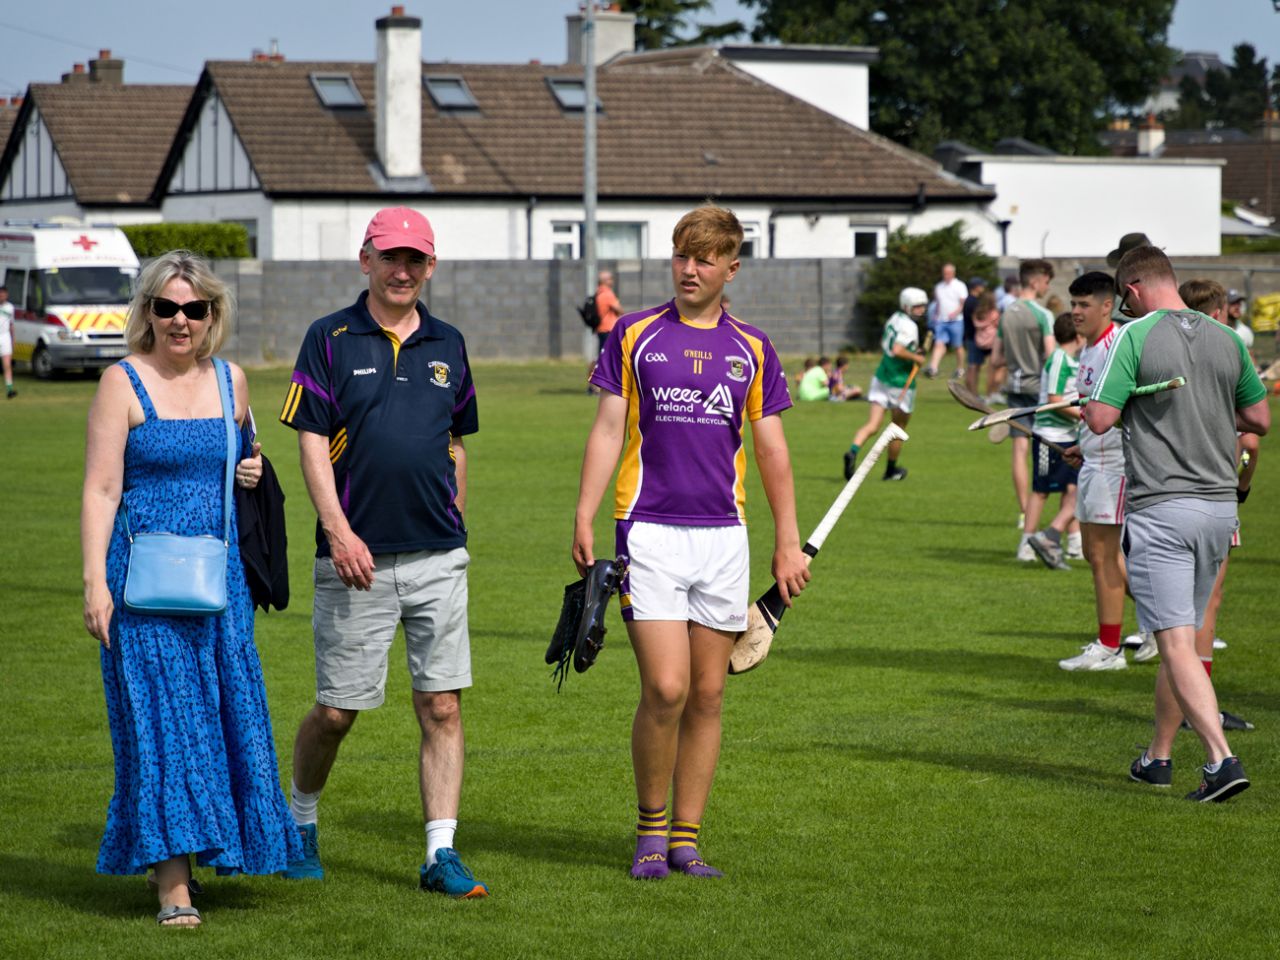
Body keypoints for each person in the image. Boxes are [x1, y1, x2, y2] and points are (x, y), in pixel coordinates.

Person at [572, 204, 809, 879]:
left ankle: (686, 839)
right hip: (648, 532)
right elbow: (607, 430)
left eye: (705, 259)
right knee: (668, 688)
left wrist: (786, 543)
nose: (689, 269)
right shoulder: (634, 335)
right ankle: (650, 831)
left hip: (723, 539)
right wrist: (585, 514)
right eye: (682, 255)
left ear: (732, 268)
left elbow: (772, 453)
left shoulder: (753, 348)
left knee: (709, 694)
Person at [81, 250, 297, 927]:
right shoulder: (121, 382)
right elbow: (101, 488)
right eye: (166, 308)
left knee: (224, 719)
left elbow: (241, 458)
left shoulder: (233, 381)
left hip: (217, 580)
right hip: (141, 583)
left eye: (193, 309)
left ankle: (209, 854)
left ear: (212, 316)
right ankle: (172, 886)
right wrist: (95, 581)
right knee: (165, 727)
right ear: (146, 312)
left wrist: (250, 472)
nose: (180, 321)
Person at [277, 207, 488, 897]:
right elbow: (310, 438)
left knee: (443, 707)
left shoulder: (449, 343)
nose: (403, 271)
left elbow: (456, 438)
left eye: (416, 260)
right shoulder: (328, 338)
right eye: (391, 257)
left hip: (437, 556)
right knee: (337, 712)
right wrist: (338, 531)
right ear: (365, 259)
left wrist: (457, 513)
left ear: (431, 267)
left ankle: (440, 854)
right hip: (354, 560)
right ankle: (299, 819)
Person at [1084, 246, 1269, 802]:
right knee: (1180, 637)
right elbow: (1259, 418)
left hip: (1164, 508)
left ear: (1134, 290)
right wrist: (1208, 408)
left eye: (1123, 298)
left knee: (1173, 639)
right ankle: (1157, 758)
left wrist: (1116, 401)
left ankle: (1220, 761)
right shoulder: (1226, 336)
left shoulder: (1133, 336)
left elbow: (1098, 419)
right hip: (1219, 509)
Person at [1057, 272, 1132, 672]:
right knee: (1093, 553)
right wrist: (1081, 444)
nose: (1076, 312)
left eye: (1084, 305)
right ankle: (1164, 626)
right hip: (1092, 462)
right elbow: (1093, 413)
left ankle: (1110, 648)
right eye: (1073, 304)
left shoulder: (1116, 346)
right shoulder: (1087, 351)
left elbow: (1122, 409)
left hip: (1114, 466)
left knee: (1105, 555)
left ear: (1108, 305)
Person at [992, 259, 1056, 555]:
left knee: (1018, 453)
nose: (1047, 288)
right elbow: (1051, 357)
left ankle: (1023, 512)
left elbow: (995, 360)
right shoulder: (1042, 314)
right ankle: (1055, 522)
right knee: (1046, 452)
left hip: (1014, 387)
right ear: (1037, 280)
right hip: (1037, 389)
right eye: (1046, 282)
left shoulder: (1006, 313)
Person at [844, 287, 928, 482]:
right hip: (900, 382)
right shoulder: (909, 326)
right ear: (907, 306)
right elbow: (898, 350)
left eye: (923, 305)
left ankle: (853, 451)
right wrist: (917, 357)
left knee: (873, 425)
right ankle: (891, 470)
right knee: (898, 428)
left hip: (881, 376)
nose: (921, 309)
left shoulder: (895, 318)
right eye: (917, 306)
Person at [1022, 313, 1081, 570]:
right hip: (1050, 436)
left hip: (1072, 437)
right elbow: (1054, 399)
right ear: (1078, 334)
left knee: (1074, 489)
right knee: (1042, 490)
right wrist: (1083, 414)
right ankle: (1026, 543)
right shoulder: (1058, 359)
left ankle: (1074, 541)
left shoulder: (1073, 360)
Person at [925, 263, 967, 379]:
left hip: (956, 321)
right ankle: (933, 368)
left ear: (953, 273)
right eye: (944, 273)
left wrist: (956, 313)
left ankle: (960, 368)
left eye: (948, 273)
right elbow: (938, 304)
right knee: (939, 343)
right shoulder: (939, 287)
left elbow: (963, 303)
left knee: (957, 345)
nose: (946, 275)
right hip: (941, 320)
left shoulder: (960, 286)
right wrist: (934, 317)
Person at [965, 289, 999, 399]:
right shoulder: (994, 313)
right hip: (992, 342)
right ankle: (990, 393)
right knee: (992, 368)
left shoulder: (977, 313)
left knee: (973, 367)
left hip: (978, 340)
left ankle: (973, 393)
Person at [1225, 289, 1257, 369]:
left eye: (1239, 303)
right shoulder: (1214, 328)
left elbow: (1250, 357)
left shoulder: (1245, 331)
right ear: (1224, 306)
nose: (1237, 306)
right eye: (1233, 303)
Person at [0, 285, 15, 398]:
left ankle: (9, 389)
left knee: (7, 364)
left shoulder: (10, 307)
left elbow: (11, 324)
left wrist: (13, 339)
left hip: (5, 336)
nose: (2, 295)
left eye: (4, 293)